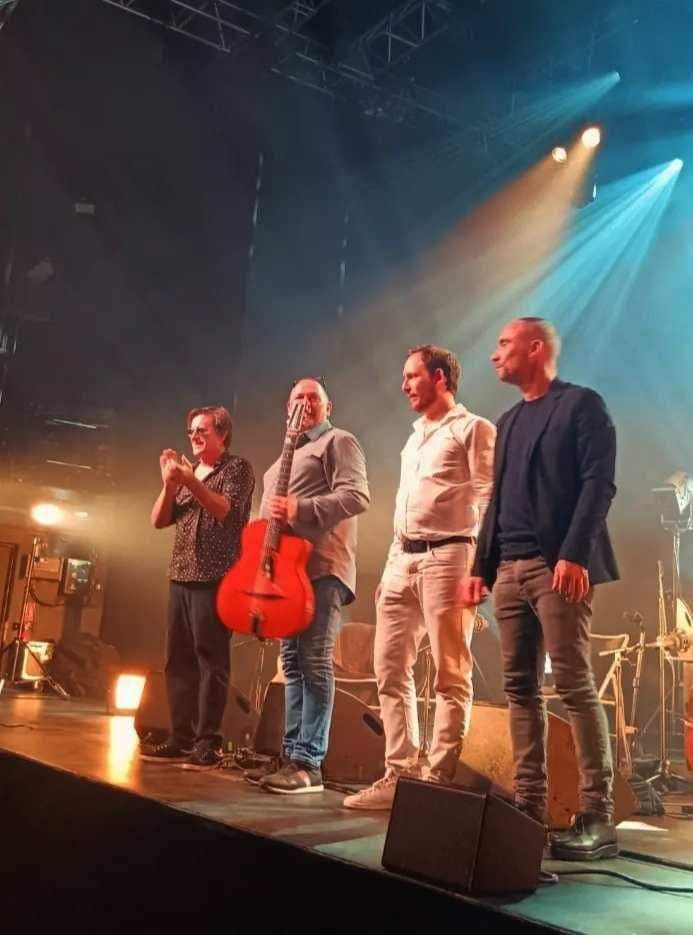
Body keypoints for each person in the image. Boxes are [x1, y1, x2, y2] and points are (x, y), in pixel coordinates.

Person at [460, 317, 619, 860]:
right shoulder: (506, 422)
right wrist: (481, 565)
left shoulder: (582, 405)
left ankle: (596, 814)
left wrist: (574, 552)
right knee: (518, 690)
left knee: (574, 685)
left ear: (535, 348)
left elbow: (600, 482)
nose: (494, 353)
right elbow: (497, 500)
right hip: (508, 571)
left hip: (556, 569)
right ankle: (528, 806)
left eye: (503, 343)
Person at [344, 345, 495, 810]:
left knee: (451, 672)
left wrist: (483, 568)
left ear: (439, 378)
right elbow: (406, 507)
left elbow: (491, 499)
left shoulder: (474, 428)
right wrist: (392, 563)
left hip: (451, 556)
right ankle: (401, 771)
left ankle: (437, 777)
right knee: (388, 666)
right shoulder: (414, 438)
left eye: (412, 376)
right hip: (402, 561)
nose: (405, 385)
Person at [247, 378, 370, 794]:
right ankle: (290, 755)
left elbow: (356, 496)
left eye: (313, 397)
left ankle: (309, 763)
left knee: (314, 662)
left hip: (322, 569)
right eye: (298, 397)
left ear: (328, 405)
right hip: (285, 580)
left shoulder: (338, 441)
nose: (305, 403)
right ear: (287, 408)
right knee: (293, 666)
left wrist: (302, 507)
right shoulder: (279, 464)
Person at [143, 405, 254, 769]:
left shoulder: (236, 469)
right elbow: (159, 521)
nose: (194, 436)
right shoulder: (188, 475)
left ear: (222, 435)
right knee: (178, 661)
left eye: (202, 430)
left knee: (212, 661)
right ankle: (181, 736)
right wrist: (169, 486)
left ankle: (208, 741)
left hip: (214, 576)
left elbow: (228, 513)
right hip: (180, 575)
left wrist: (190, 481)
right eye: (191, 430)